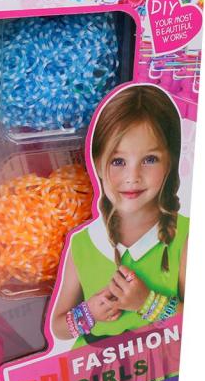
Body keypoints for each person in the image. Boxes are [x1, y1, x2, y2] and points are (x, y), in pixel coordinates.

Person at [49, 84, 187, 346]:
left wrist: (148, 303)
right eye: (118, 162)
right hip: (93, 366)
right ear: (97, 164)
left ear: (170, 161)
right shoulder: (84, 242)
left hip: (161, 364)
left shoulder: (184, 236)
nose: (132, 177)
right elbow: (58, 327)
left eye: (150, 159)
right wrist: (89, 313)